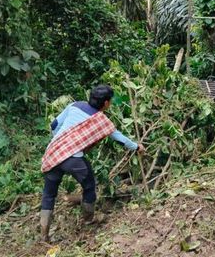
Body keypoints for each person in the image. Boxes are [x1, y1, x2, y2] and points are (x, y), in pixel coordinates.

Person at [39, 84, 144, 242]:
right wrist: (137, 147)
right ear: (106, 103)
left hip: (53, 153)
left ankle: (44, 235)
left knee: (48, 195)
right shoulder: (102, 121)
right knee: (89, 185)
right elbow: (120, 139)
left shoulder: (74, 105)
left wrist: (60, 140)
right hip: (73, 159)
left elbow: (54, 125)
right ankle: (88, 219)